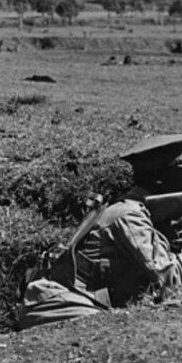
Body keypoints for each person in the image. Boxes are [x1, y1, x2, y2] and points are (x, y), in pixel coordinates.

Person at [18, 134, 182, 330]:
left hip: (63, 299)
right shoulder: (128, 216)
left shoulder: (131, 210)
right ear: (161, 179)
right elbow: (169, 281)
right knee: (117, 329)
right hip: (57, 303)